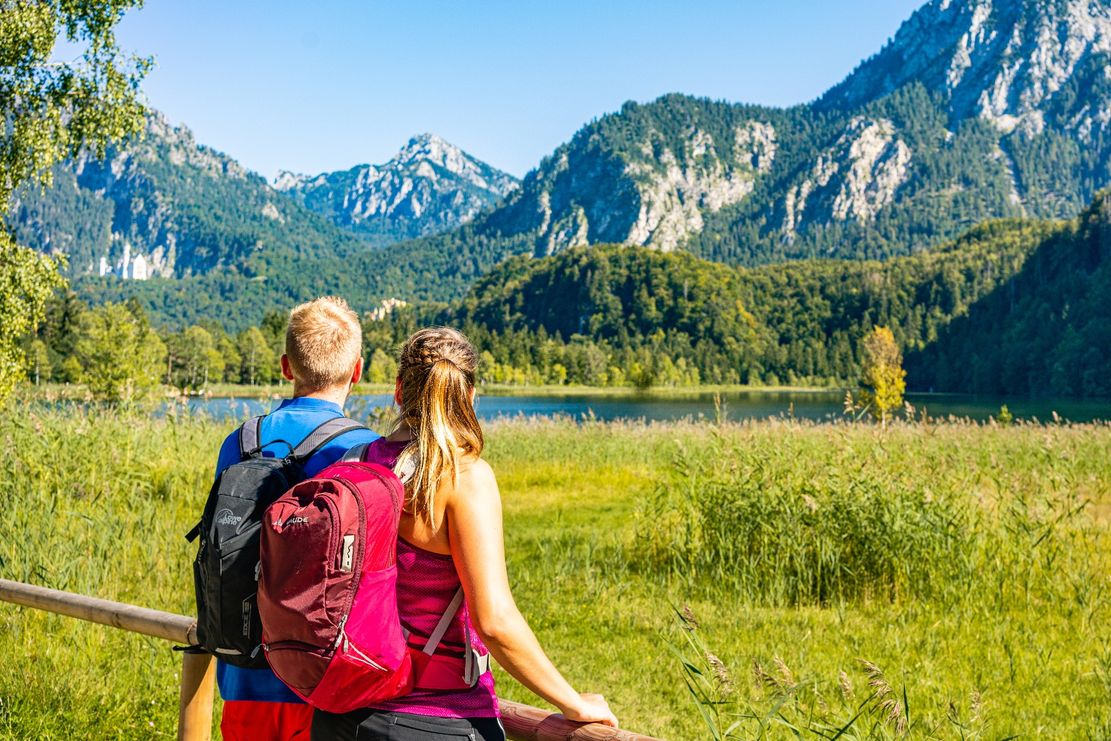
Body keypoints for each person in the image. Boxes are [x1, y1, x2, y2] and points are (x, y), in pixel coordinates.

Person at [312, 327, 617, 740]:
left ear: (399, 390)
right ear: (470, 395)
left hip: (342, 712)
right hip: (436, 718)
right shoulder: (463, 477)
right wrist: (574, 703)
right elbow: (494, 621)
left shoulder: (357, 462)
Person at [214, 297, 380, 741]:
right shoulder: (367, 451)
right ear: (357, 370)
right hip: (325, 682)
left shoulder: (240, 442)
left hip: (243, 674)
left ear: (287, 367)